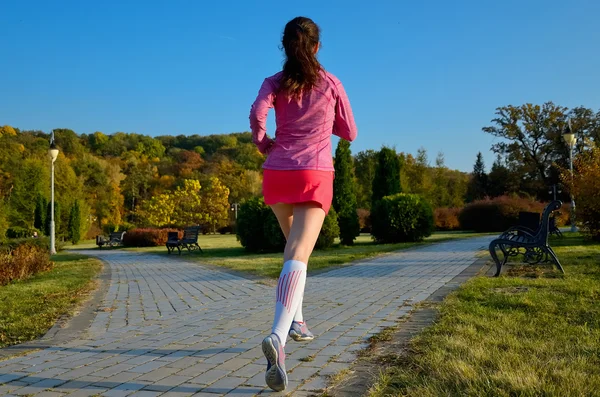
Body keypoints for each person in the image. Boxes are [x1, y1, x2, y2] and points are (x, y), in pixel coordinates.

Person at [249, 16, 357, 392]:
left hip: (277, 172)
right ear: (316, 47)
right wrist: (324, 124)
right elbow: (350, 132)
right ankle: (278, 336)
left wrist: (264, 142)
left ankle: (296, 321)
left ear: (285, 46)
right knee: (298, 252)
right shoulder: (330, 83)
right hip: (313, 172)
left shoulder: (273, 82)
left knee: (294, 253)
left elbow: (257, 114)